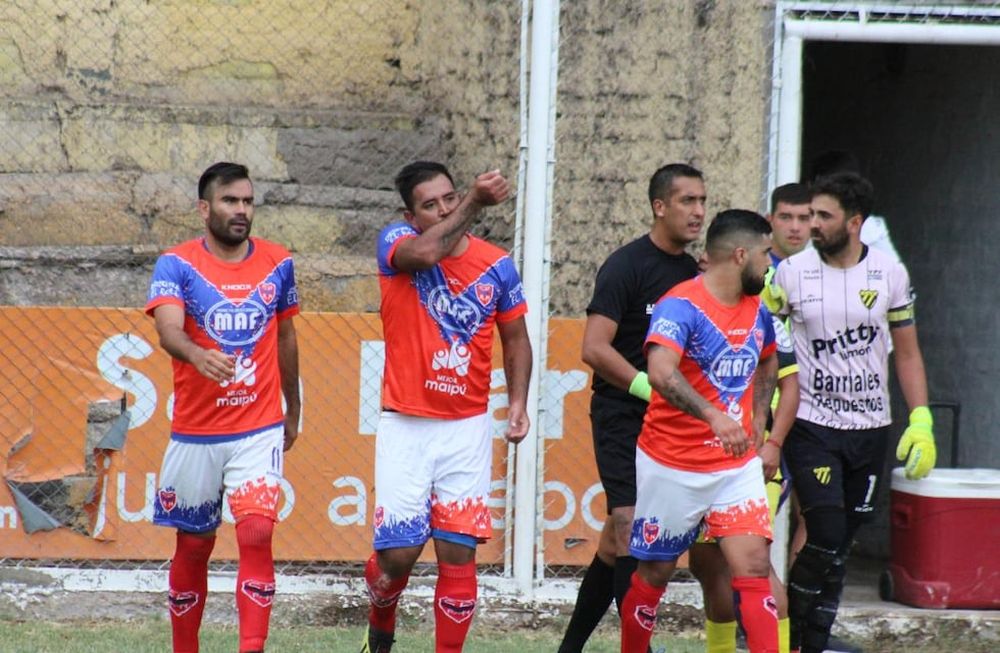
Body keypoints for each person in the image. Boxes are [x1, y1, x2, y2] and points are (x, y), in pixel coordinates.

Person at [362, 161, 533, 653]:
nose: (442, 209)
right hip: (406, 423)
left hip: (467, 427)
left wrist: (517, 403)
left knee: (458, 553)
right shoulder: (397, 243)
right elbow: (427, 252)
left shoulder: (497, 265)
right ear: (409, 216)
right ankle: (381, 618)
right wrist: (475, 202)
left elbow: (516, 338)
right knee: (398, 557)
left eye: (450, 198)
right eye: (429, 204)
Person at [773, 173, 936, 653]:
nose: (812, 225)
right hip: (812, 425)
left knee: (841, 547)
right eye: (809, 214)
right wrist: (767, 415)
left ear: (854, 222)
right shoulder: (791, 273)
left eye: (823, 216)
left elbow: (908, 354)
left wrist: (921, 419)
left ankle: (813, 643)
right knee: (824, 531)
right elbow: (767, 352)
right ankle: (790, 639)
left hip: (870, 429)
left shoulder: (889, 274)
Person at [146, 161, 301, 653]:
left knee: (256, 531)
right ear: (204, 208)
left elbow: (286, 336)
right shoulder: (176, 264)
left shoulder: (278, 262)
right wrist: (197, 355)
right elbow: (168, 330)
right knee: (194, 545)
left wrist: (293, 409)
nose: (241, 210)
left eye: (248, 201)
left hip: (258, 424)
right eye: (230, 201)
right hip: (196, 432)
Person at [558, 163, 705, 653]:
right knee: (630, 527)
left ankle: (568, 649)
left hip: (671, 423)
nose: (698, 211)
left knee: (615, 542)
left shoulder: (695, 275)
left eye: (703, 201)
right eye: (687, 201)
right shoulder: (626, 265)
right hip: (622, 413)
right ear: (659, 206)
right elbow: (594, 348)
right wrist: (650, 388)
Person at [620, 209, 781, 653]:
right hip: (672, 463)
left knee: (754, 565)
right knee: (654, 573)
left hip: (734, 466)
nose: (770, 264)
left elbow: (769, 359)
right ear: (741, 255)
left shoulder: (757, 309)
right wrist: (714, 417)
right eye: (766, 254)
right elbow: (660, 372)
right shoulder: (680, 305)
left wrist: (759, 417)